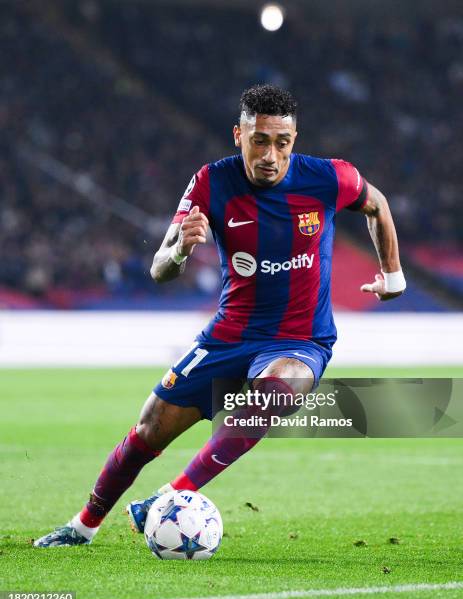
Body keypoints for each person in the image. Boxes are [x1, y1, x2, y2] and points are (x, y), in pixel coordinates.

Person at [34, 84, 406, 547]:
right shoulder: (211, 182)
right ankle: (83, 526)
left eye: (282, 142)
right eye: (260, 141)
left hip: (300, 338)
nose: (271, 154)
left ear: (294, 139)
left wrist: (393, 276)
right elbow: (160, 269)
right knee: (149, 429)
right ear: (238, 135)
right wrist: (181, 249)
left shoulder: (330, 178)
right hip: (229, 336)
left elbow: (377, 204)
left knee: (280, 387)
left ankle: (173, 495)